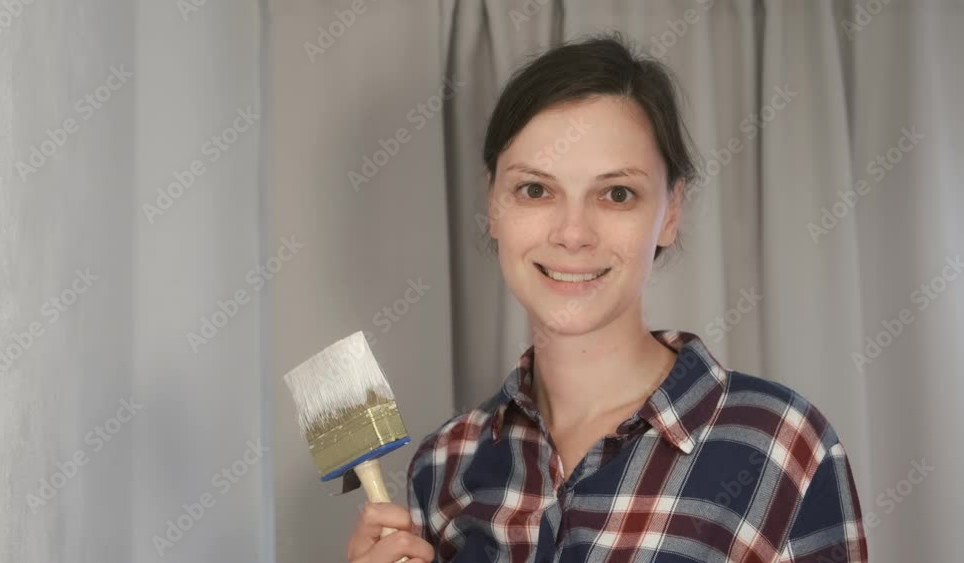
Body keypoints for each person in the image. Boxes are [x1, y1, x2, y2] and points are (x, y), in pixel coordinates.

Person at [346, 33, 868, 563]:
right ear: (494, 204)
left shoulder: (783, 446)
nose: (573, 234)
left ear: (670, 211)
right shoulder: (443, 464)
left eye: (617, 194)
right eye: (535, 189)